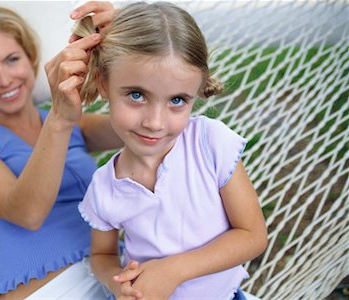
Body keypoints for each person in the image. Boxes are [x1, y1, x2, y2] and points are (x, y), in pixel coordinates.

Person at [76, 2, 268, 299]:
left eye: (177, 100)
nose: (155, 122)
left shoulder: (209, 144)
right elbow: (102, 256)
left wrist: (173, 270)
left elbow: (252, 236)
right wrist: (118, 285)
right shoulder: (105, 187)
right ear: (103, 84)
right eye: (137, 95)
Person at [0, 2, 121, 299]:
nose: (4, 80)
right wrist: (60, 120)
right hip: (51, 289)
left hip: (113, 272)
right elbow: (27, 213)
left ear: (31, 57)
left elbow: (149, 126)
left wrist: (121, 48)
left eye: (11, 60)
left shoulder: (76, 124)